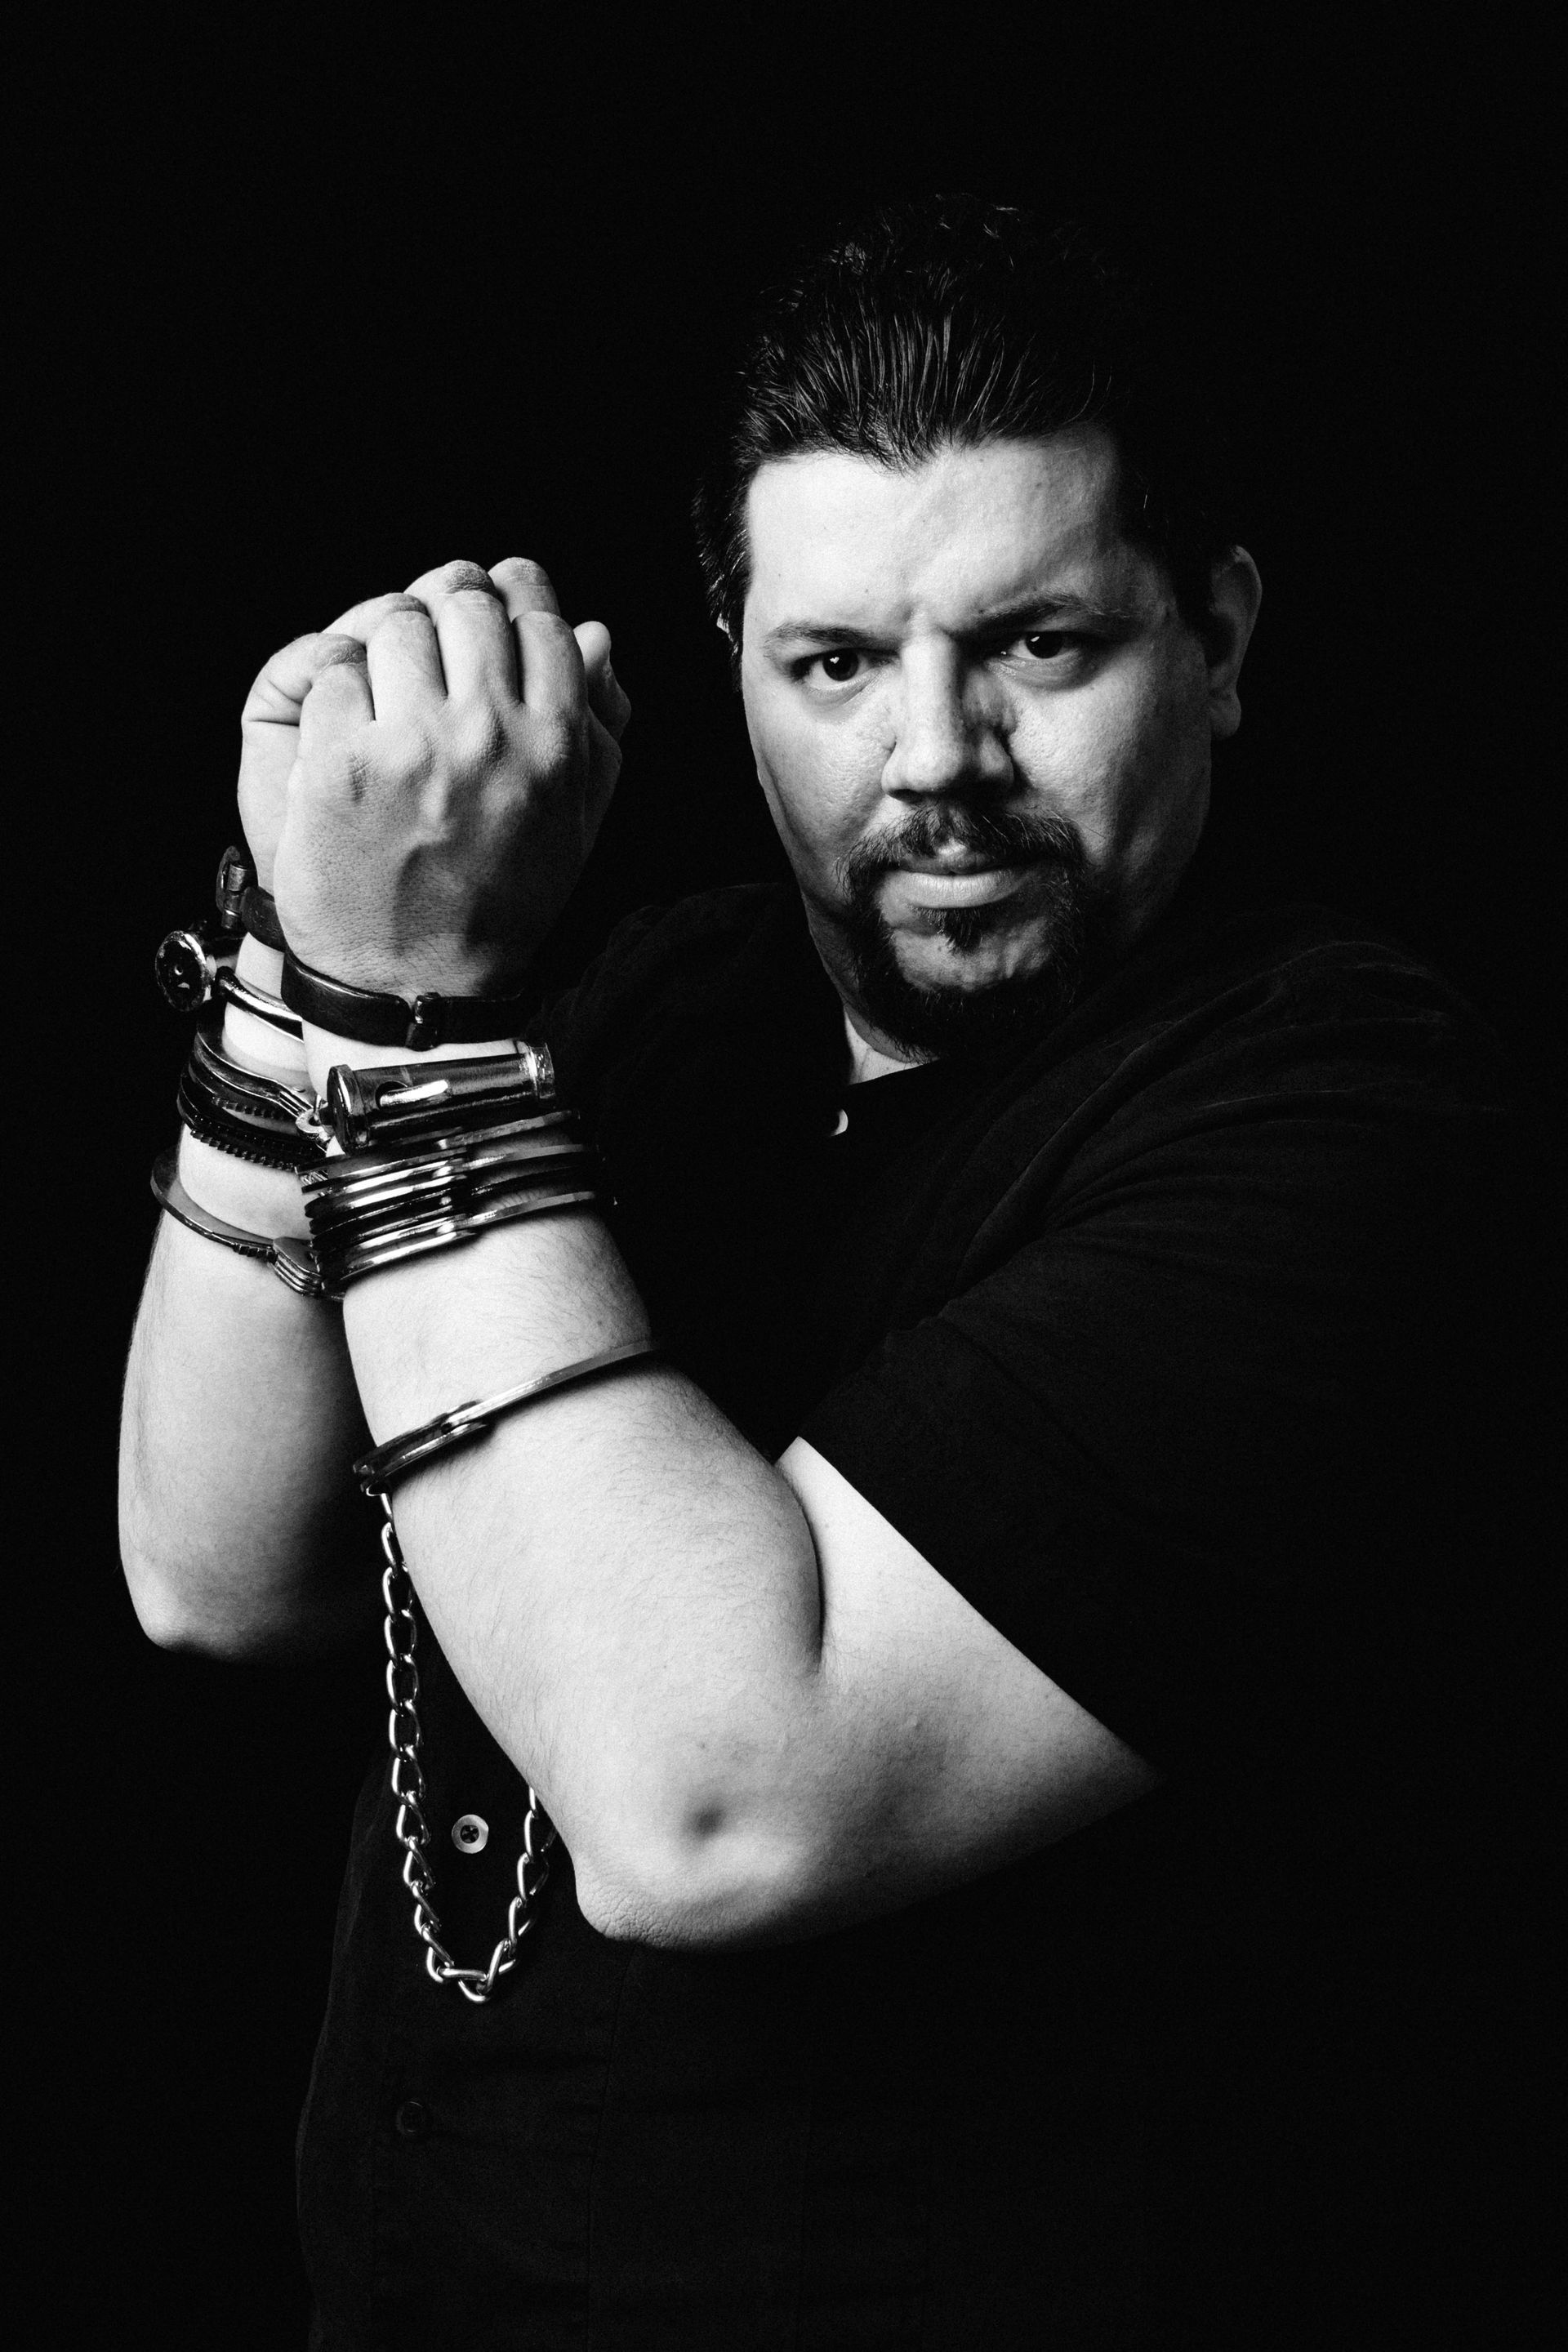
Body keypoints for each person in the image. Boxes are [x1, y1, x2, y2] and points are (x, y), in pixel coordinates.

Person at [118, 198, 1514, 2347]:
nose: (936, 757)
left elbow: (716, 1806)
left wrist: (403, 1016)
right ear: (740, 677)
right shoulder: (665, 1009)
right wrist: (304, 964)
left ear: (1217, 642)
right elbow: (225, 1567)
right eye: (838, 665)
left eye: (1040, 643)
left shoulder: (1341, 1125)